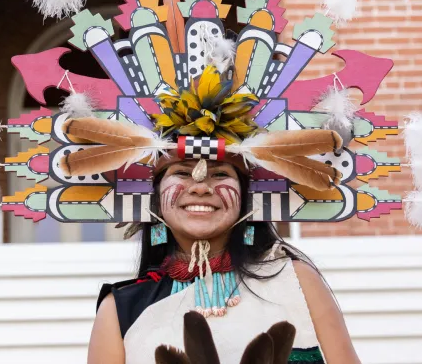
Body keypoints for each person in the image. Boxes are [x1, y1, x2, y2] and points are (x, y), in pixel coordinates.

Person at [88, 156, 361, 363]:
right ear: (156, 201)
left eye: (220, 174)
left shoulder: (296, 279)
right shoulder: (120, 309)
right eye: (182, 172)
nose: (200, 187)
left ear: (246, 199)